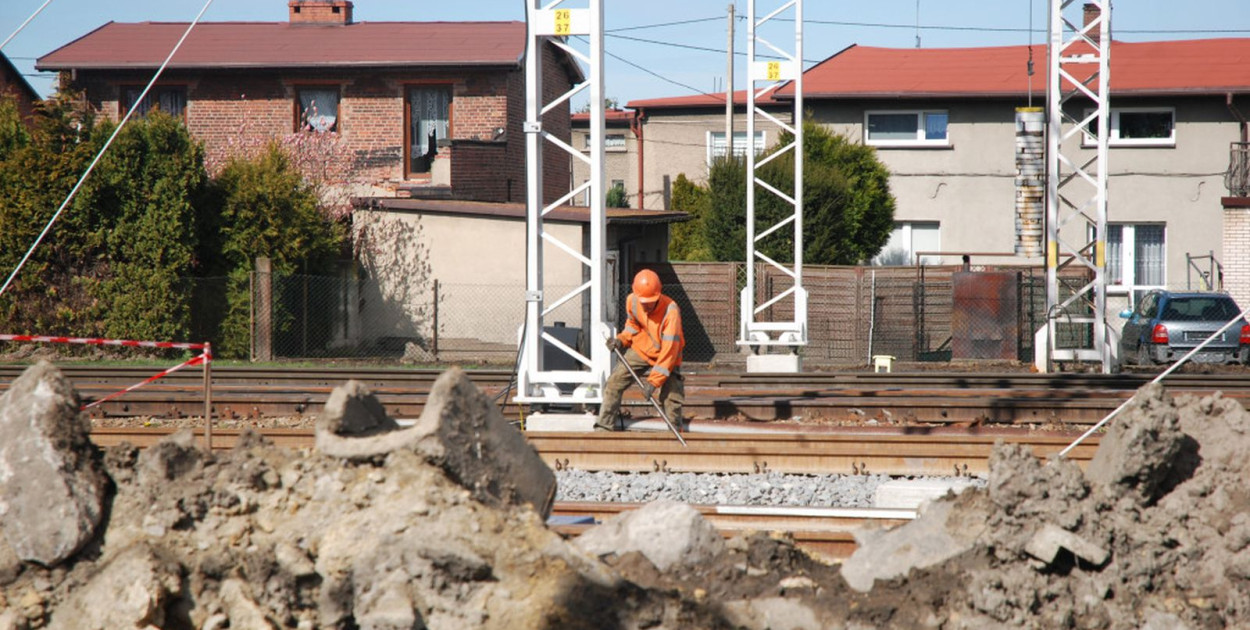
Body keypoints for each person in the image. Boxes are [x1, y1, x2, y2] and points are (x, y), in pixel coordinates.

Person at [595, 269, 685, 432]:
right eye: (643, 301)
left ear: (658, 295)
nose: (646, 305)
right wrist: (621, 340)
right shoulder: (632, 301)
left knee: (671, 397)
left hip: (667, 356)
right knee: (614, 383)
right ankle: (604, 428)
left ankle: (674, 432)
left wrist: (653, 382)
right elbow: (633, 325)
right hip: (642, 349)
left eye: (650, 301)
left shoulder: (671, 311)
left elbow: (669, 351)